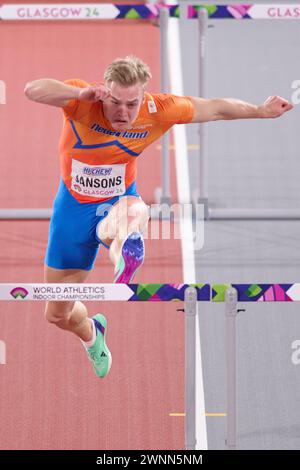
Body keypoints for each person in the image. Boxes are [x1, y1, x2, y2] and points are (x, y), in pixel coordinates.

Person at [24, 55, 293, 378]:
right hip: (72, 210)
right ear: (104, 92)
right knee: (57, 315)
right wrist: (78, 94)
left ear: (143, 97)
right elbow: (32, 90)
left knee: (131, 212)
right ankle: (93, 332)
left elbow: (217, 108)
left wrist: (260, 111)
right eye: (115, 102)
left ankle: (125, 248)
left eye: (132, 104)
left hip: (118, 200)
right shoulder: (82, 99)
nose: (123, 112)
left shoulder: (159, 110)